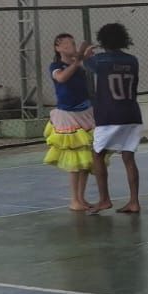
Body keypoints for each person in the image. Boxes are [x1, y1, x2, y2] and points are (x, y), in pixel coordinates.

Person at [84, 23, 142, 215]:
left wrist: (85, 53)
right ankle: (134, 201)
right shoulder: (132, 60)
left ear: (102, 41)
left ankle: (104, 200)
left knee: (97, 154)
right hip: (132, 113)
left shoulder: (100, 60)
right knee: (128, 156)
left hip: (109, 114)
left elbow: (85, 62)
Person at [43, 32, 95, 211]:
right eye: (66, 44)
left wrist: (85, 58)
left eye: (73, 43)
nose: (71, 46)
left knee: (86, 158)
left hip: (85, 112)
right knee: (74, 159)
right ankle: (74, 199)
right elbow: (62, 78)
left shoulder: (78, 64)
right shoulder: (56, 66)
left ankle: (82, 197)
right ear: (57, 48)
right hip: (68, 115)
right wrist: (77, 61)